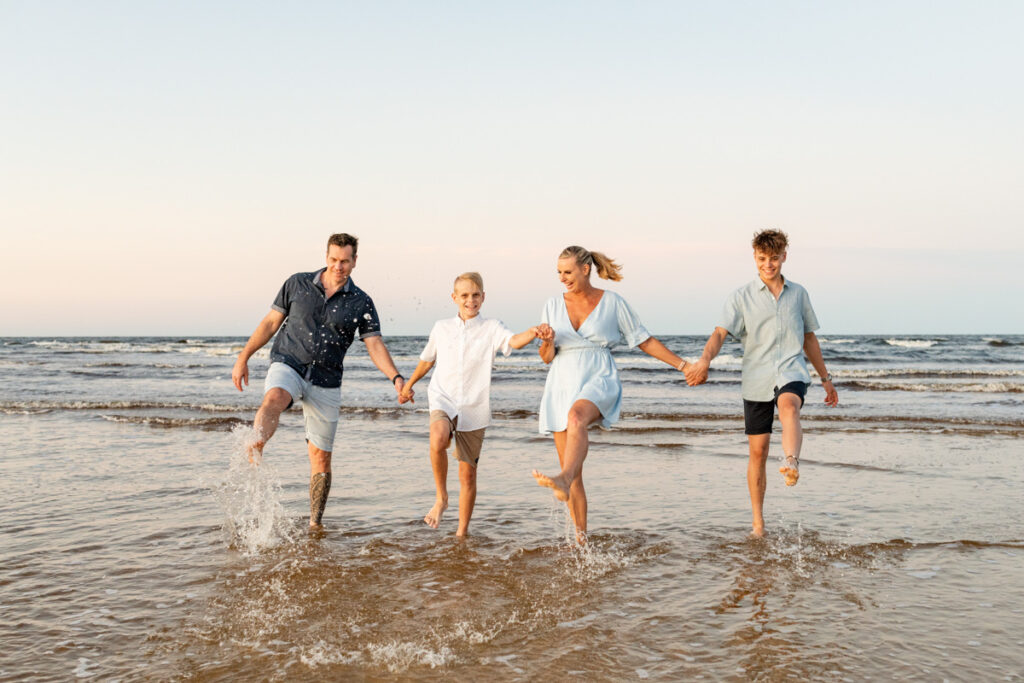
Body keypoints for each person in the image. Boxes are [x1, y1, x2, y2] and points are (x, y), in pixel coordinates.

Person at [231, 233, 410, 529]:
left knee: (321, 458)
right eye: (333, 260)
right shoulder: (297, 284)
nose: (338, 266)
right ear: (326, 257)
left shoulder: (361, 301)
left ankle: (315, 523)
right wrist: (243, 357)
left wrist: (396, 377)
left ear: (355, 261)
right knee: (274, 397)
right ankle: (257, 444)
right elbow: (270, 323)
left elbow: (374, 344)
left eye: (344, 261)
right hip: (289, 361)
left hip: (327, 378)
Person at [684, 229, 839, 538]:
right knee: (758, 452)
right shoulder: (741, 297)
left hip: (791, 370)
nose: (768, 265)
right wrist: (704, 359)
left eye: (774, 259)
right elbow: (719, 334)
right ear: (755, 258)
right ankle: (758, 524)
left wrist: (826, 379)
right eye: (762, 259)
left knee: (788, 405)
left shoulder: (798, 294)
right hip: (756, 378)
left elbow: (809, 338)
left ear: (784, 257)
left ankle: (792, 461)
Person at [531, 245, 692, 540]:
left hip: (598, 374)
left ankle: (563, 479)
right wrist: (548, 340)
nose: (563, 278)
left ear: (585, 269)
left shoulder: (613, 302)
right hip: (561, 381)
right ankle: (580, 543)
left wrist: (682, 365)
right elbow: (546, 357)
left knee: (577, 417)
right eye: (559, 273)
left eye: (568, 272)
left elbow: (643, 340)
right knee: (574, 474)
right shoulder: (552, 306)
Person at [400, 272, 546, 536]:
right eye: (465, 295)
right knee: (437, 437)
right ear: (454, 298)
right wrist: (409, 385)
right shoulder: (441, 327)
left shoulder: (492, 327)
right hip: (442, 397)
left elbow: (512, 342)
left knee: (467, 476)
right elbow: (426, 360)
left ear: (483, 297)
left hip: (474, 407)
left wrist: (533, 331)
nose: (471, 300)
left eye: (476, 295)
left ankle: (461, 532)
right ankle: (441, 498)